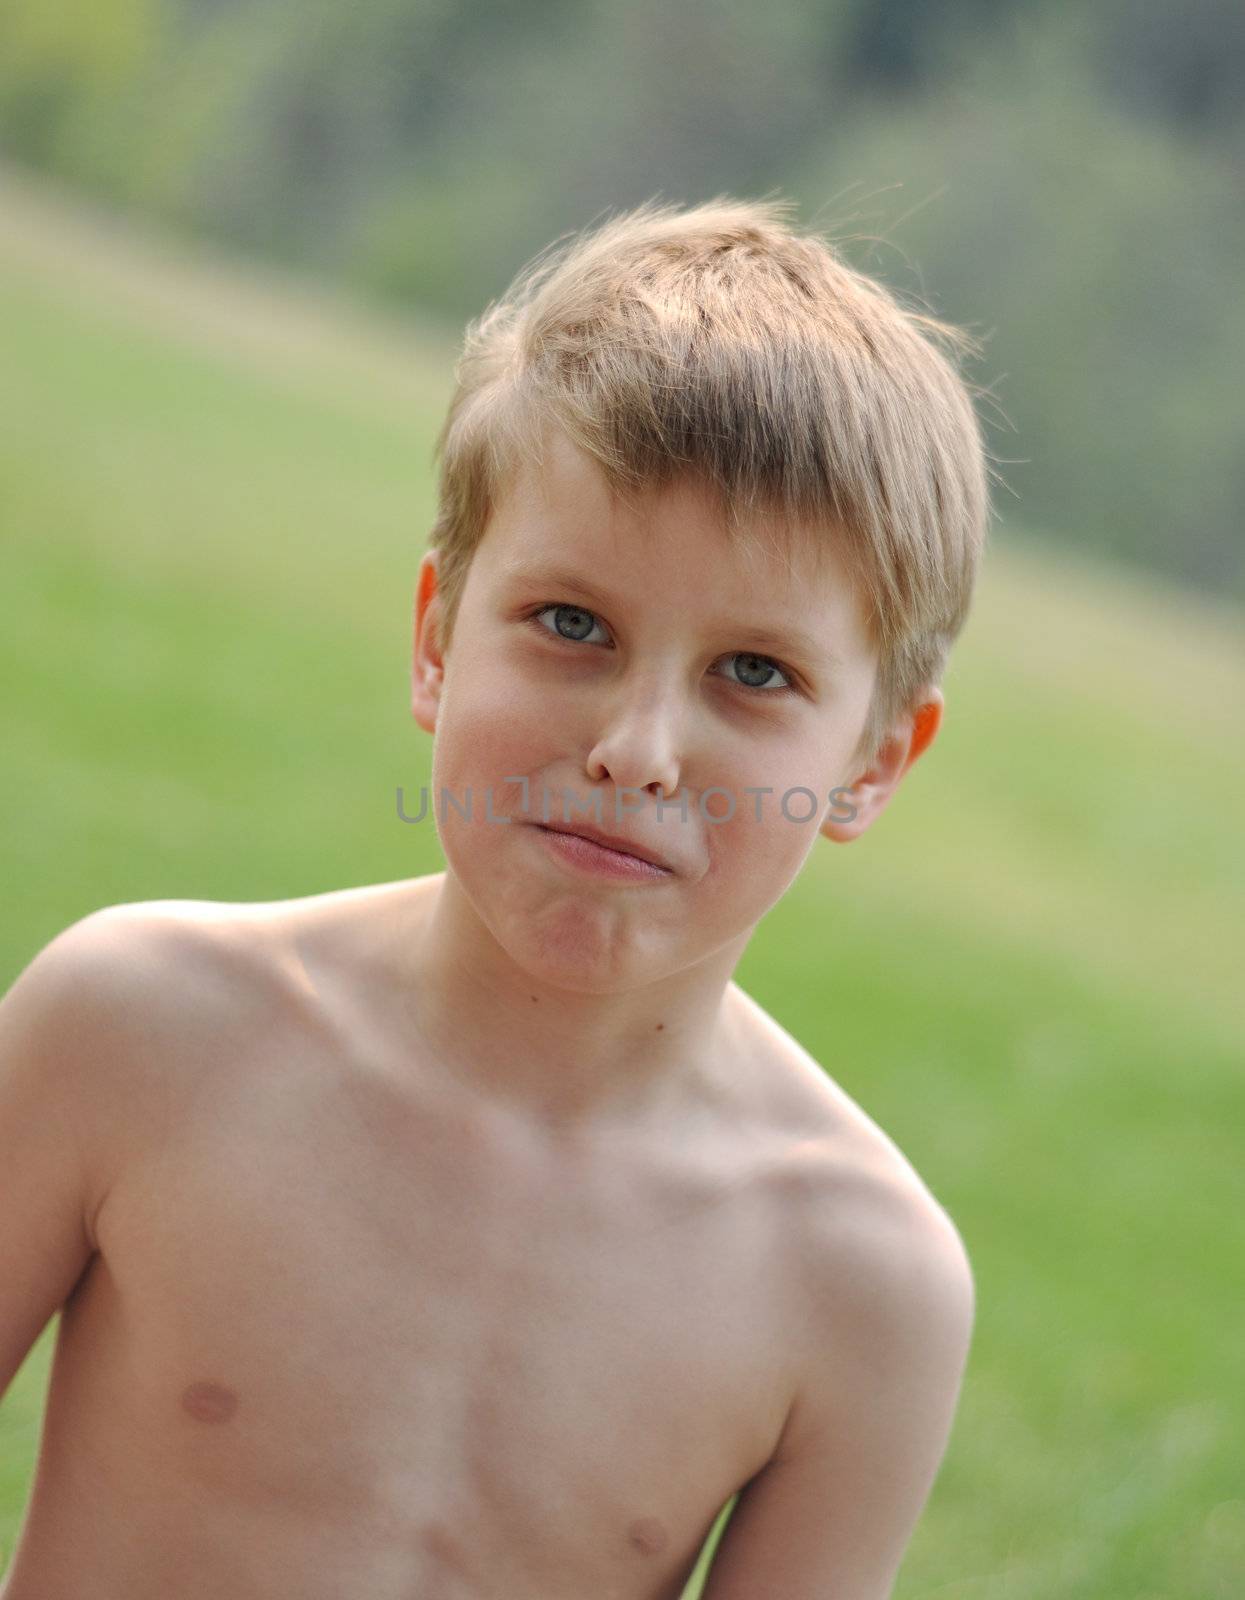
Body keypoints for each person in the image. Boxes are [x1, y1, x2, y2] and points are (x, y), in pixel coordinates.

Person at [0, 195, 991, 1599]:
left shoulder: (859, 1284)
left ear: (873, 761)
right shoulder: (138, 1032)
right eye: (571, 625)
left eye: (752, 674)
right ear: (432, 638)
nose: (635, 751)